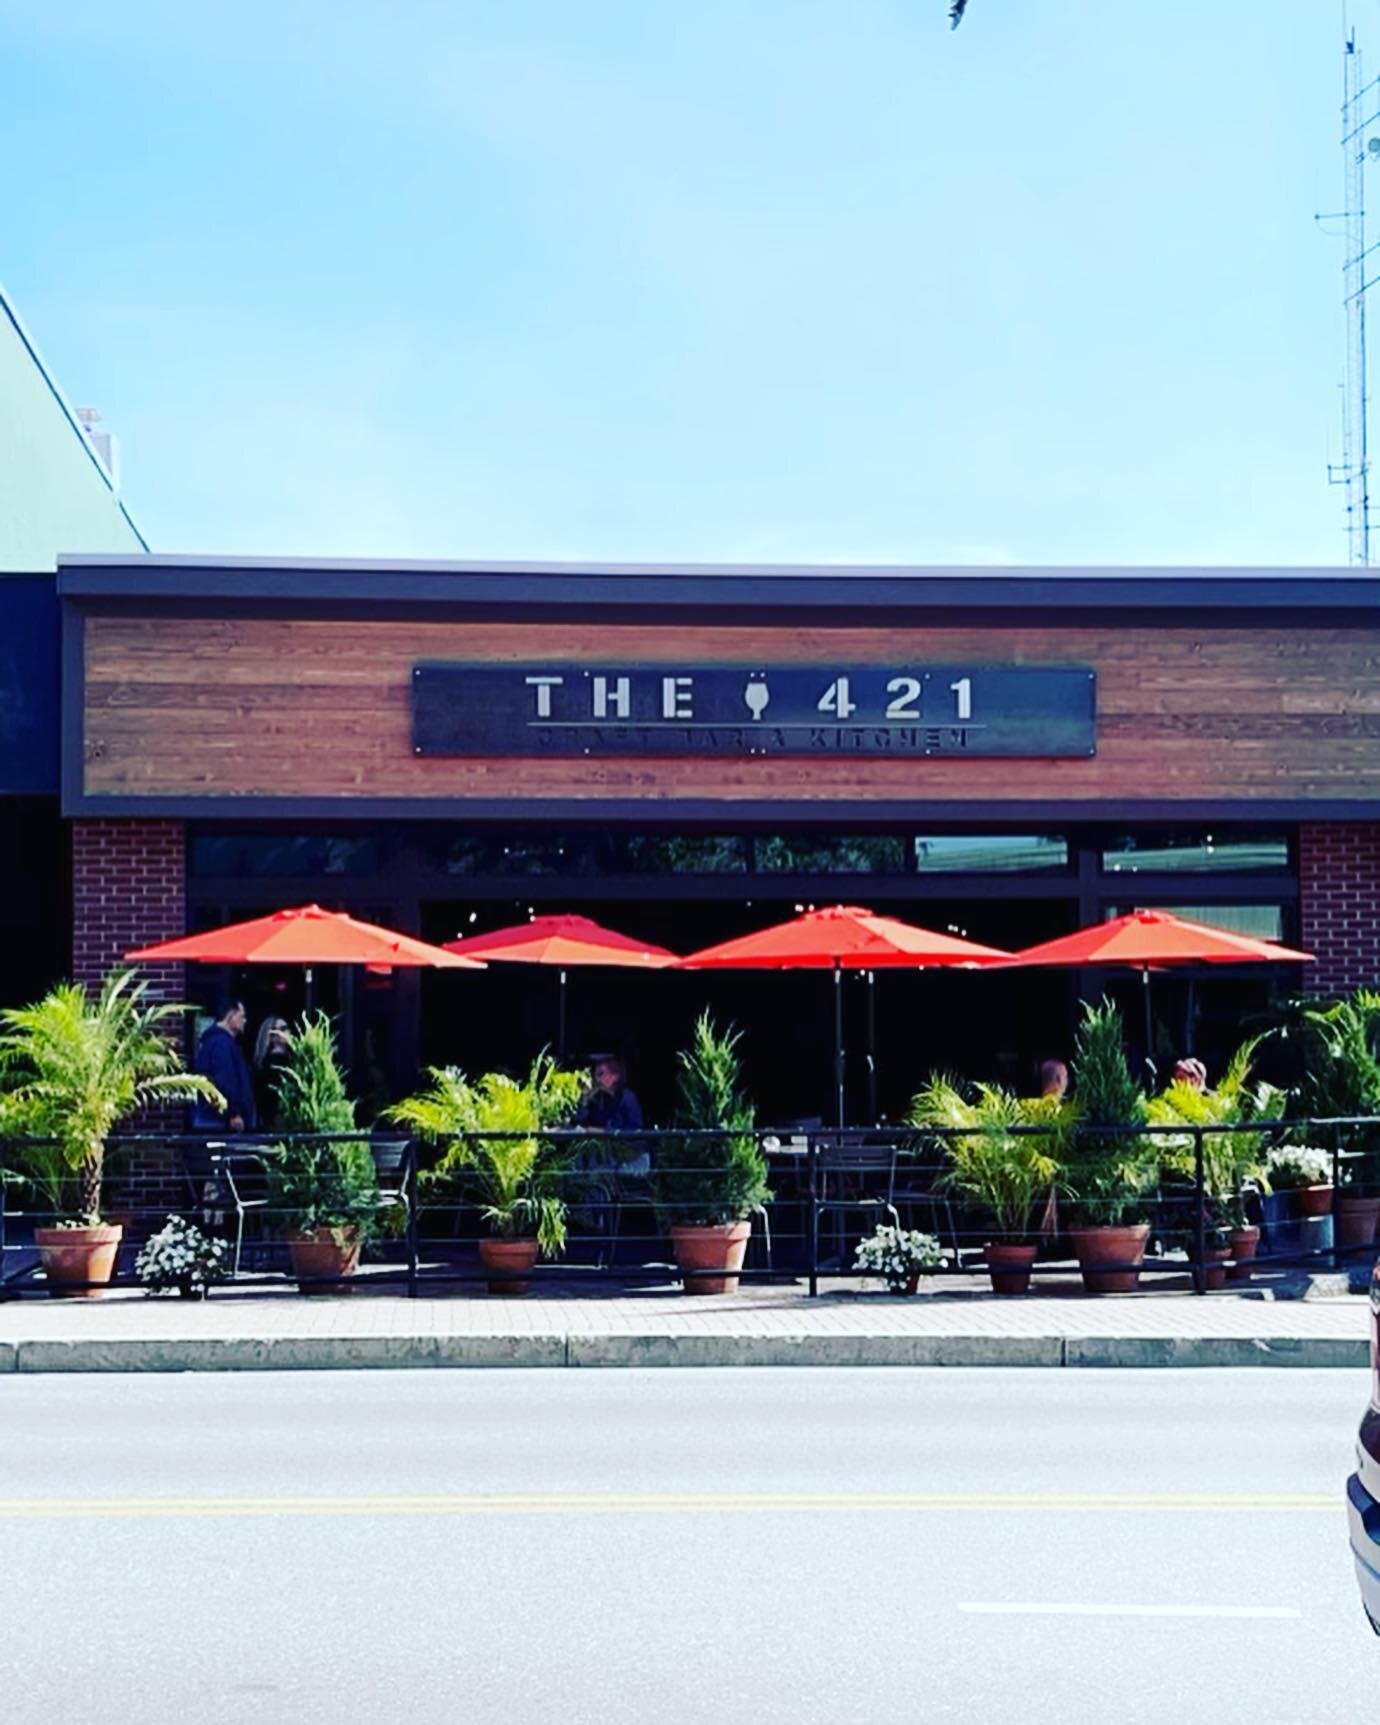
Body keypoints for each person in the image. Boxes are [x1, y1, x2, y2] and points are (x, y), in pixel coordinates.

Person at [192, 999, 257, 1133]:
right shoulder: (222, 1044)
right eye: (242, 1016)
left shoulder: (213, 1042)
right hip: (221, 1122)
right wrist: (234, 1113)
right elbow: (225, 1079)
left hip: (214, 1119)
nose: (245, 1021)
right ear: (231, 1016)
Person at [577, 1054, 644, 1133]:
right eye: (596, 1074)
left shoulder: (628, 1098)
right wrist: (585, 1101)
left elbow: (634, 1129)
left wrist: (603, 1131)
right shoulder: (597, 1097)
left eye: (601, 1074)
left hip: (622, 1144)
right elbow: (581, 1122)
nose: (597, 1079)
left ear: (615, 1076)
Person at [253, 1016, 292, 1128]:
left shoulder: (292, 1056)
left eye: (285, 1028)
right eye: (279, 1029)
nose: (282, 1033)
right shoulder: (269, 1062)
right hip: (274, 1115)